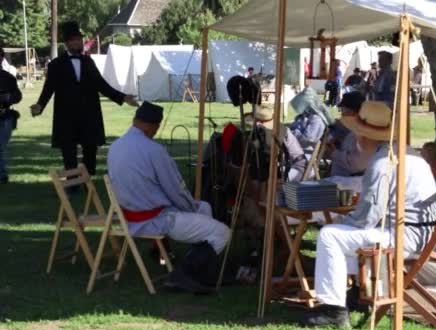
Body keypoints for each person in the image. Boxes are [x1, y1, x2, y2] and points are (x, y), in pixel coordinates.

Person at [303, 101, 436, 328]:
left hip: (404, 236)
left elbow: (365, 218)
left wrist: (342, 221)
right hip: (418, 232)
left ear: (364, 136)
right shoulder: (408, 153)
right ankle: (357, 293)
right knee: (340, 233)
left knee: (330, 236)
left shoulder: (382, 163)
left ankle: (333, 310)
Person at [108, 101, 230, 292]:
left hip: (130, 214)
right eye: (156, 127)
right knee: (222, 233)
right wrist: (190, 208)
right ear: (153, 125)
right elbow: (176, 189)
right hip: (155, 219)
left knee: (205, 208)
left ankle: (195, 260)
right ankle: (183, 273)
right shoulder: (153, 150)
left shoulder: (115, 146)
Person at [30, 21, 138, 180]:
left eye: (79, 40)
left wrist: (123, 97)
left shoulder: (88, 62)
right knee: (68, 151)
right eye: (73, 40)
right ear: (67, 43)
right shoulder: (56, 65)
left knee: (90, 149)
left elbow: (101, 85)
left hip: (89, 114)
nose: (77, 42)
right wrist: (40, 105)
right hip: (66, 115)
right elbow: (48, 88)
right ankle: (72, 182)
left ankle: (89, 183)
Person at [326, 92, 375, 177]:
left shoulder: (362, 134)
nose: (341, 114)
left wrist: (334, 152)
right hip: (342, 177)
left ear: (352, 112)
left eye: (343, 110)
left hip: (350, 181)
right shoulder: (354, 129)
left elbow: (357, 164)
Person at [254, 104, 306, 181]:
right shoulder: (262, 131)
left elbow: (273, 153)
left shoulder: (279, 131)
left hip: (295, 166)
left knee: (264, 177)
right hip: (280, 164)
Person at [0, 47, 23, 184]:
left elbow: (18, 95)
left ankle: (2, 175)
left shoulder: (8, 77)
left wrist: (8, 97)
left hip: (4, 116)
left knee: (1, 147)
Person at [289, 87, 334, 153]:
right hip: (292, 147)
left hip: (302, 153)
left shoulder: (317, 120)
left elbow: (307, 141)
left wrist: (291, 133)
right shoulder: (304, 116)